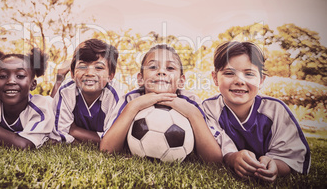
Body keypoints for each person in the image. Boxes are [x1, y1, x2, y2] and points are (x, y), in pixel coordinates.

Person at [203, 41, 311, 182]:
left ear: (261, 80)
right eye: (229, 73)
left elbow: (292, 157)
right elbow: (213, 150)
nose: (240, 81)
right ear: (215, 78)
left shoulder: (276, 110)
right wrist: (232, 158)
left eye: (249, 74)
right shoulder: (209, 109)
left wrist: (275, 166)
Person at [100, 44, 222, 163]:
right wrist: (133, 107)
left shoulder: (191, 101)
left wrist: (193, 114)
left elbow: (214, 159)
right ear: (140, 79)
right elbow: (107, 149)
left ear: (181, 81)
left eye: (170, 68)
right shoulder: (131, 99)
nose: (161, 72)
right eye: (153, 67)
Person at [49, 39, 125, 144]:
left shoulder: (115, 95)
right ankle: (60, 78)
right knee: (48, 105)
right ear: (72, 73)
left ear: (110, 75)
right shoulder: (66, 91)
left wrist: (74, 130)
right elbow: (58, 133)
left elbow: (111, 140)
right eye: (82, 66)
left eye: (98, 67)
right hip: (53, 102)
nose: (89, 73)